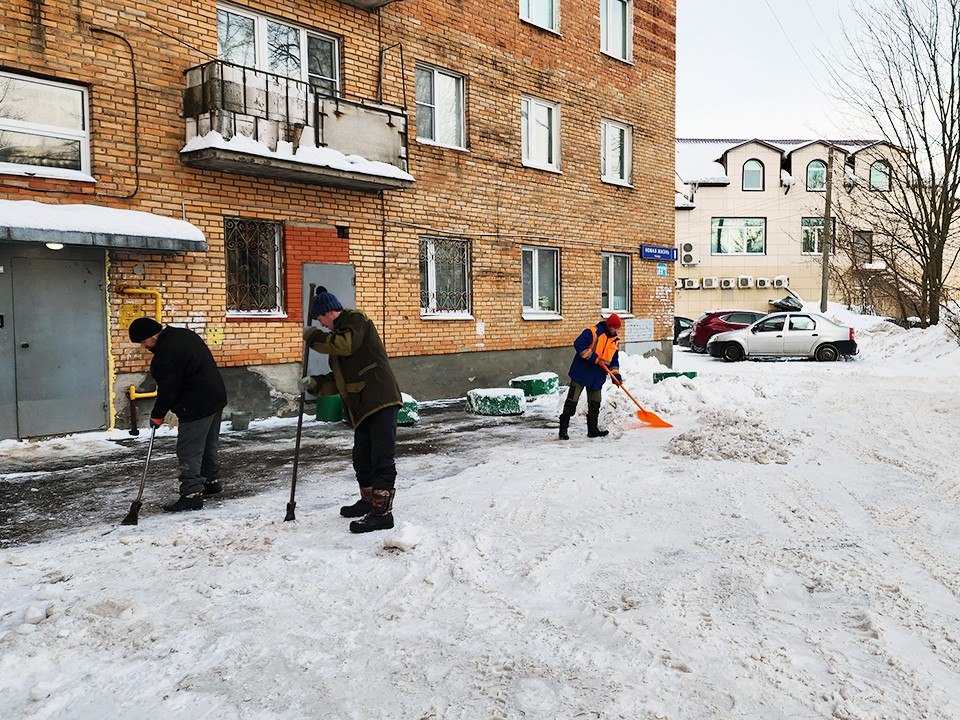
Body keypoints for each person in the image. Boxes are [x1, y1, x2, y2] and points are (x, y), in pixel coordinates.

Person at [301, 287, 402, 533]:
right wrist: (313, 384)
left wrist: (313, 337)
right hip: (362, 407)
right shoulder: (338, 342)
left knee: (381, 457)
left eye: (320, 319)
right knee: (361, 457)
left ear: (327, 313)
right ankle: (368, 501)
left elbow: (345, 344)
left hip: (380, 399)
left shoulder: (357, 320)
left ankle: (382, 513)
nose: (320, 324)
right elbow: (340, 380)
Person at [128, 317, 228, 512]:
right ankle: (211, 481)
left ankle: (191, 494)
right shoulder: (182, 334)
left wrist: (157, 415)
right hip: (215, 397)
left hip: (195, 404)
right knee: (208, 443)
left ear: (153, 335)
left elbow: (168, 390)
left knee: (188, 450)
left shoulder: (166, 353)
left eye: (143, 341)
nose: (143, 346)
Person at [558, 314, 623, 440]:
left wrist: (616, 376)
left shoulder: (614, 341)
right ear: (608, 324)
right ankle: (563, 430)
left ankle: (592, 430)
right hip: (581, 372)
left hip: (596, 377)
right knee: (572, 401)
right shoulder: (593, 332)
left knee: (595, 403)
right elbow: (579, 344)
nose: (614, 330)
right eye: (612, 327)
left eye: (617, 328)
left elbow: (614, 362)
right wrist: (594, 358)